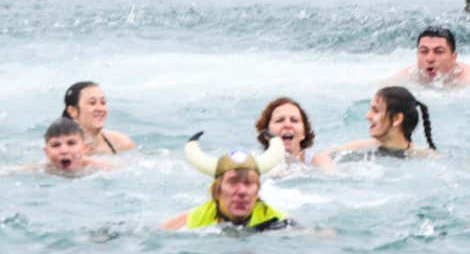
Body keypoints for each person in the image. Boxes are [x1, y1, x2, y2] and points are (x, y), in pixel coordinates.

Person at [162, 132, 292, 230]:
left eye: (248, 183)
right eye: (232, 182)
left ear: (257, 191)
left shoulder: (279, 222)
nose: (242, 191)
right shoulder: (188, 223)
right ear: (217, 191)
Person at [330, 86, 437, 158]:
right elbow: (320, 156)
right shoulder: (363, 147)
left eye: (375, 111)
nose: (367, 116)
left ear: (397, 119)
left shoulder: (425, 156)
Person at [255, 97, 332, 168]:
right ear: (266, 133)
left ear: (304, 133)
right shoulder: (256, 160)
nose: (287, 125)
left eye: (294, 120)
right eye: (280, 120)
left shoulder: (318, 160)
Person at [61, 81, 135, 155]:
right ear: (73, 111)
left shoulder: (121, 143)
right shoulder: (61, 149)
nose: (100, 109)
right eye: (92, 103)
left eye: (103, 102)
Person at [397, 27, 470, 87]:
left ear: (453, 57)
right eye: (424, 51)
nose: (430, 59)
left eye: (438, 52)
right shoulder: (409, 75)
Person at [41, 118, 112, 175]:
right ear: (46, 152)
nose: (64, 150)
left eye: (71, 143)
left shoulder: (101, 168)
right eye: (56, 145)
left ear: (85, 148)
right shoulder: (43, 170)